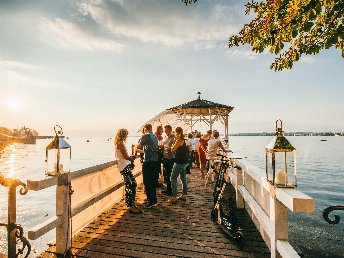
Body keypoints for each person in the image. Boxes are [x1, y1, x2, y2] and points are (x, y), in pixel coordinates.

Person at [114, 128, 142, 214]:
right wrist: (132, 158)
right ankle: (130, 205)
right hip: (124, 166)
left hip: (124, 166)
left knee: (131, 184)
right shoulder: (120, 144)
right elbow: (126, 157)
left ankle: (131, 203)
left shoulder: (119, 143)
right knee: (131, 184)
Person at [136, 124, 159, 208]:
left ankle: (151, 201)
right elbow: (149, 150)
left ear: (145, 129)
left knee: (147, 181)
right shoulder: (155, 136)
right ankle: (153, 199)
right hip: (155, 161)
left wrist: (135, 148)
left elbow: (138, 146)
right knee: (152, 181)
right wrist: (142, 151)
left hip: (148, 162)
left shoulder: (145, 136)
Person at [168, 127, 189, 204]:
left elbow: (172, 150)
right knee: (183, 178)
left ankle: (174, 197)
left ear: (177, 132)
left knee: (173, 178)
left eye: (175, 132)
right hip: (185, 161)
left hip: (179, 162)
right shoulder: (184, 140)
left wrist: (171, 144)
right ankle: (183, 195)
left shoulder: (178, 140)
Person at [161, 125, 174, 196]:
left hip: (170, 158)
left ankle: (170, 190)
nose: (165, 132)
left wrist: (167, 147)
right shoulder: (166, 137)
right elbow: (163, 145)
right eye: (164, 131)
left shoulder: (173, 138)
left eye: (166, 131)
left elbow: (174, 149)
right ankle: (168, 189)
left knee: (170, 174)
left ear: (170, 130)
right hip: (165, 158)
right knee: (166, 175)